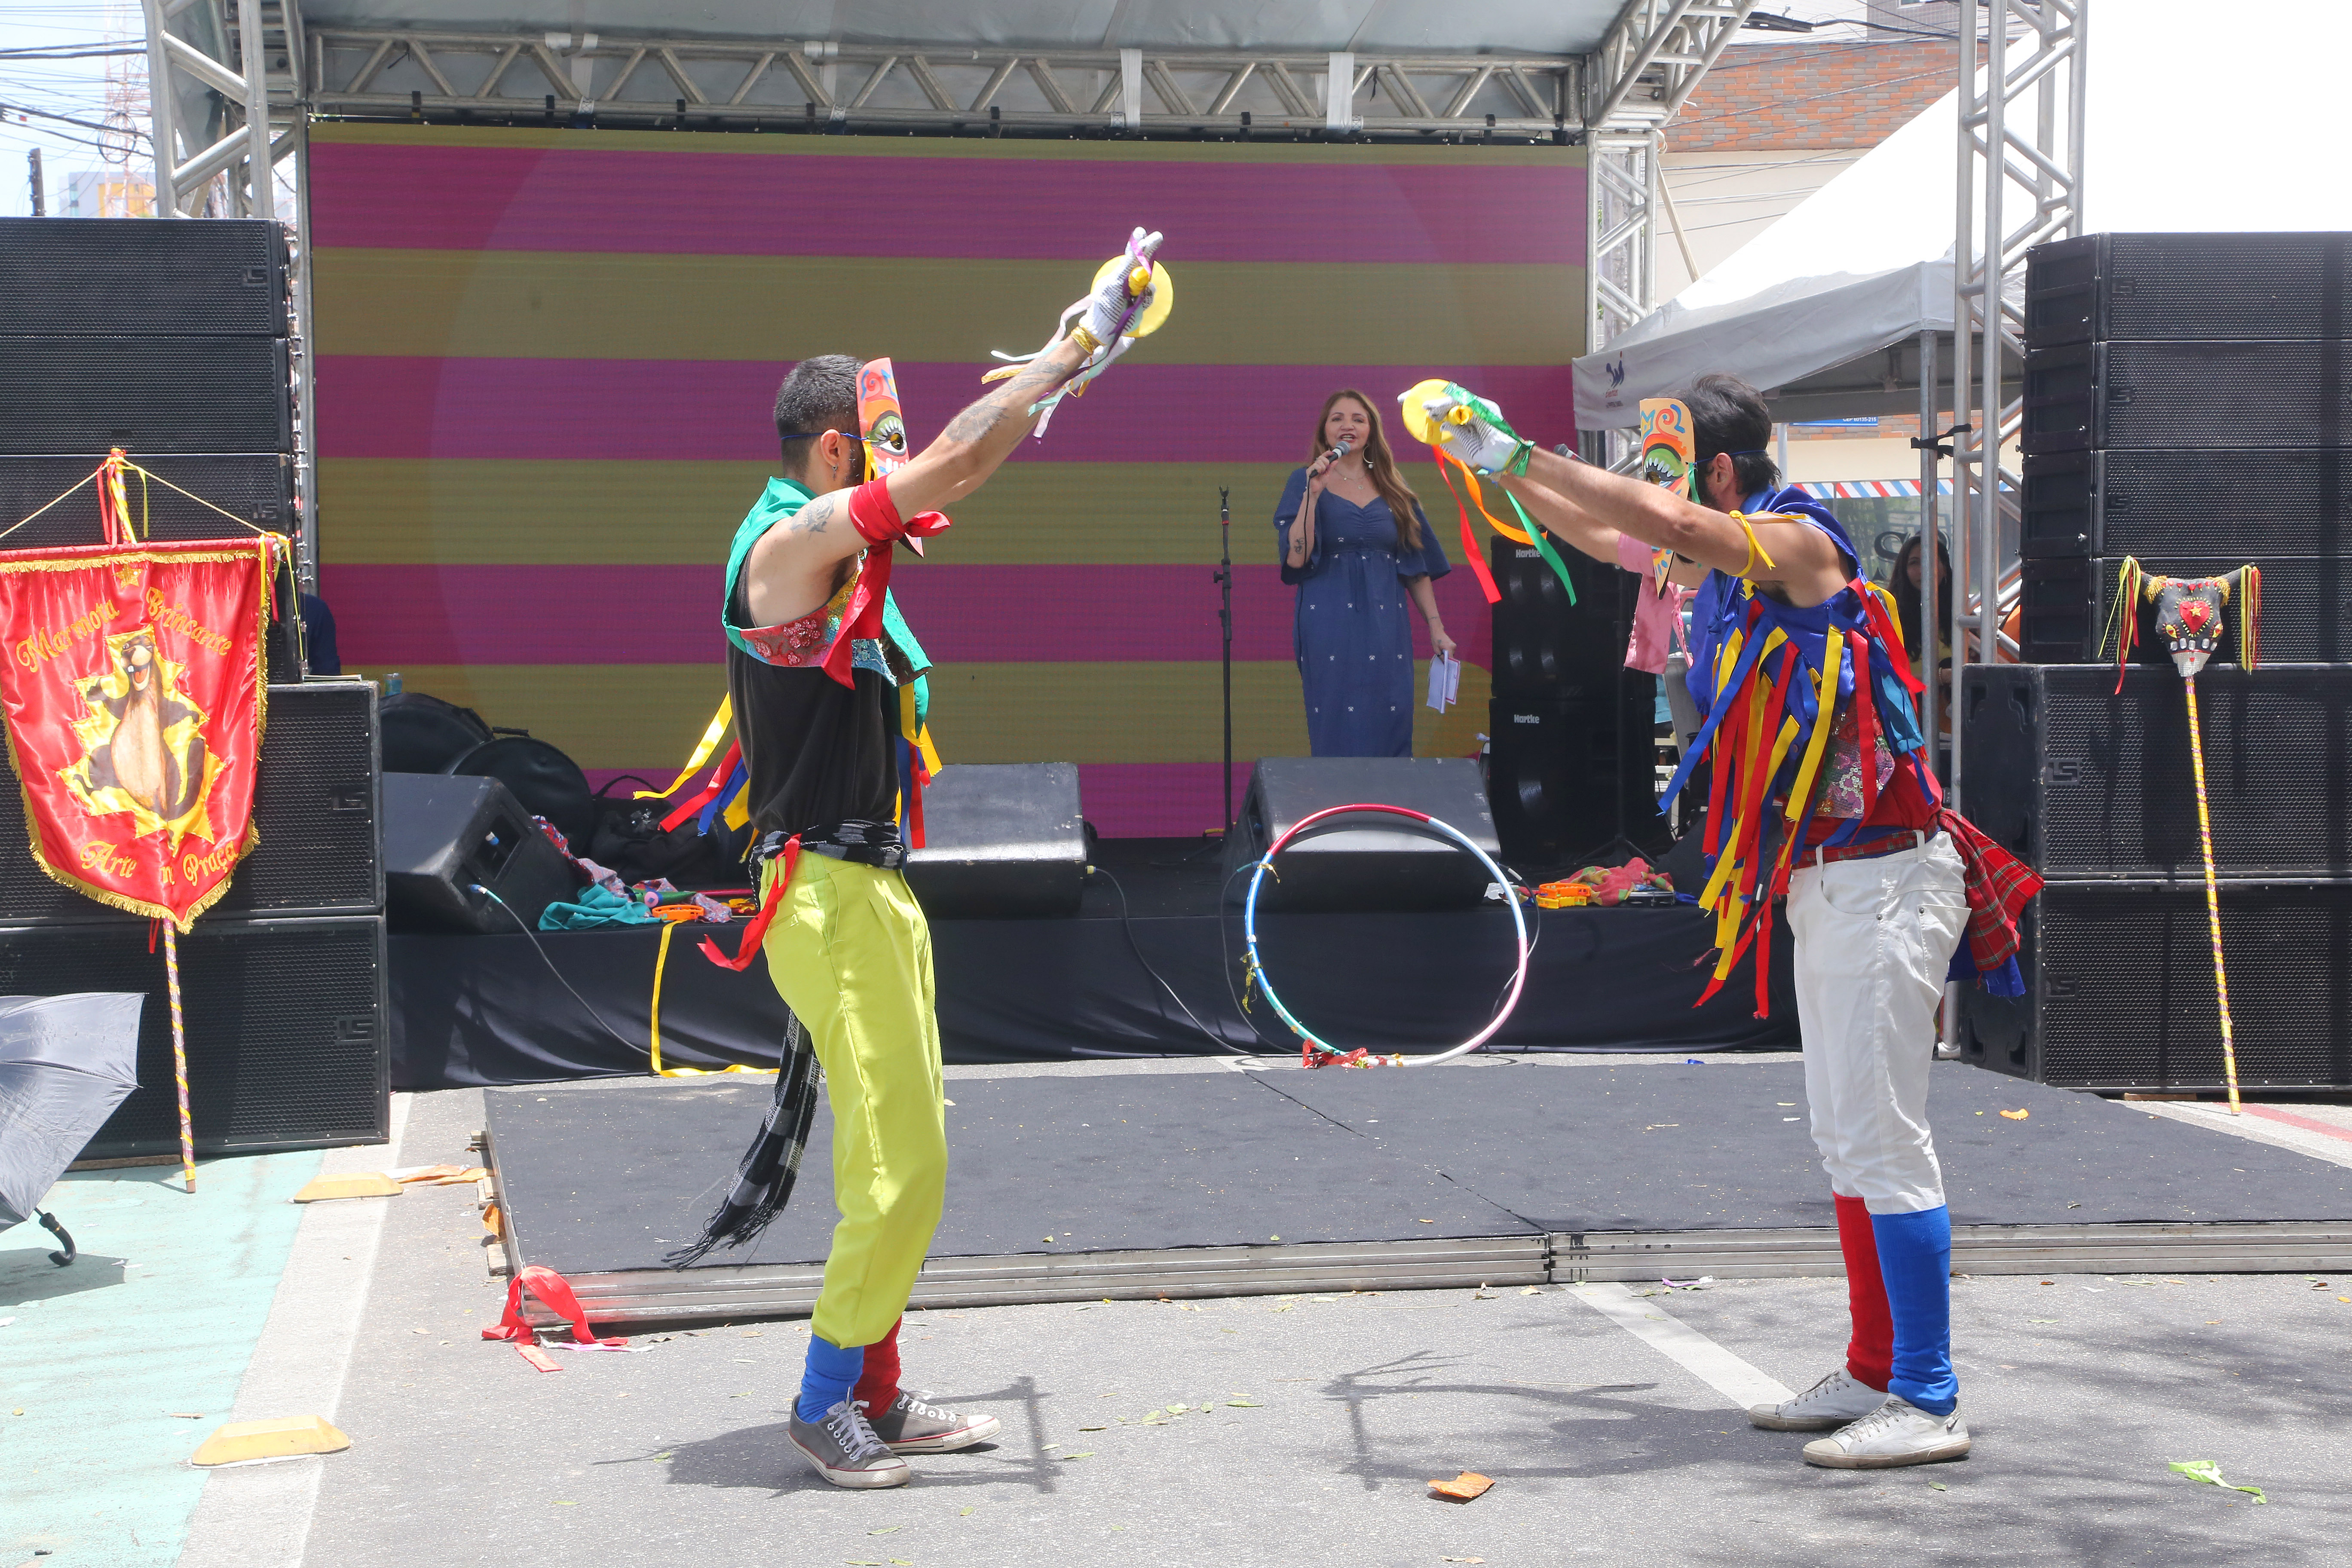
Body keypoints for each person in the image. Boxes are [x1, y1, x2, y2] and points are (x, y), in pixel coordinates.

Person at [1417, 372, 2039, 1471]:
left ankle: (1929, 1394)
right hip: (1830, 884)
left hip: (1886, 877)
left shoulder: (1800, 547)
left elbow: (1647, 517)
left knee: (1884, 1144)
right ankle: (1872, 1366)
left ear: (1712, 472)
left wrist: (1516, 456)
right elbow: (1605, 525)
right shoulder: (1705, 567)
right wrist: (1488, 459)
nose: (1645, 486)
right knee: (1845, 1142)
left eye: (1662, 462)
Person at [685, 235, 1166, 1491]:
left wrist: (1078, 356)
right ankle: (823, 1399)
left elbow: (954, 458)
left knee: (897, 1156)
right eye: (881, 447)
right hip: (824, 893)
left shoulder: (819, 545)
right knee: (902, 1165)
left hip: (868, 889)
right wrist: (1075, 346)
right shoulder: (783, 552)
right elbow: (960, 457)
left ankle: (880, 1392)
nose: (905, 470)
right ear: (838, 451)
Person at [1276, 389, 1453, 756]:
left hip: (1386, 626)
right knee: (1337, 725)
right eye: (1337, 418)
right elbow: (1297, 558)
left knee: (1393, 717)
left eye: (1358, 419)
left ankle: (1386, 811)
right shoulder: (1304, 481)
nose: (1348, 426)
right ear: (1325, 431)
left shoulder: (1395, 489)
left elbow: (1416, 569)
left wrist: (1437, 628)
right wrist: (1312, 495)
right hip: (1328, 624)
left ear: (1371, 431)